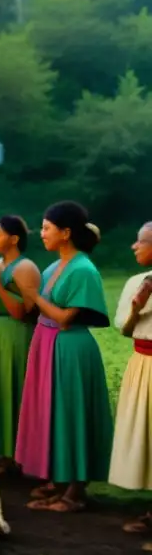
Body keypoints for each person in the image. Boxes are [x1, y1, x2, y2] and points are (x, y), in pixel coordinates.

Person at [15, 201, 113, 513]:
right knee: (51, 412)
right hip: (46, 343)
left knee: (71, 412)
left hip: (69, 346)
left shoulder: (83, 269)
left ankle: (76, 491)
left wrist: (31, 294)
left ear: (66, 232)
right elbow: (39, 310)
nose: (41, 233)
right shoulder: (52, 268)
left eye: (46, 228)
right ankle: (60, 482)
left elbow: (64, 318)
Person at [0, 216, 40, 473]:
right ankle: (2, 452)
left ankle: (23, 454)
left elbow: (24, 311)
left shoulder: (25, 268)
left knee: (14, 387)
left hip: (15, 333)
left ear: (14, 239)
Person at [109, 222, 152, 535]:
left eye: (140, 242)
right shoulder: (136, 282)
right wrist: (137, 309)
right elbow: (124, 329)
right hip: (142, 362)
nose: (133, 247)